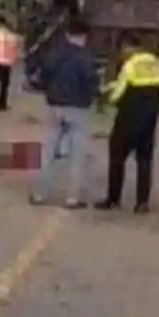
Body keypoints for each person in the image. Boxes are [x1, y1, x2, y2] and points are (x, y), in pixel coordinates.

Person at [30, 16, 96, 209]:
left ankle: (40, 194)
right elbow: (90, 82)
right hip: (78, 108)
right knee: (77, 154)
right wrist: (91, 98)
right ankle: (72, 198)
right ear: (86, 35)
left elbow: (43, 76)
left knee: (48, 151)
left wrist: (48, 91)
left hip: (55, 106)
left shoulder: (55, 53)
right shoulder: (86, 56)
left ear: (67, 34)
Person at [97, 35, 159, 213]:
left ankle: (113, 199)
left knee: (117, 157)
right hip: (149, 119)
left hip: (128, 118)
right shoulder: (157, 63)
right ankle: (142, 202)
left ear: (127, 47)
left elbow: (119, 92)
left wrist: (108, 99)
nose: (121, 55)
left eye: (122, 50)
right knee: (144, 160)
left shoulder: (130, 65)